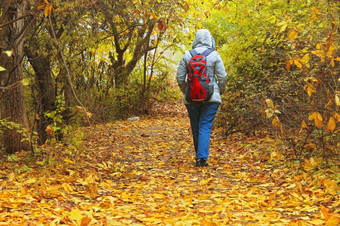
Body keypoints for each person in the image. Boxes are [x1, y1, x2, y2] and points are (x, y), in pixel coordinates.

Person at [176, 29, 227, 167]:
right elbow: (222, 77)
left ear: (195, 40)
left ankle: (199, 156)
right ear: (210, 40)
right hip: (212, 98)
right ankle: (201, 158)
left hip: (191, 97)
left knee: (196, 126)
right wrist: (219, 92)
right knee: (205, 126)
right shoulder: (214, 55)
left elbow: (180, 77)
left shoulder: (187, 55)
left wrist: (187, 91)